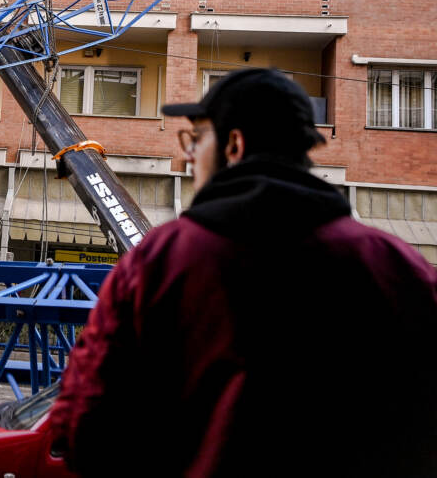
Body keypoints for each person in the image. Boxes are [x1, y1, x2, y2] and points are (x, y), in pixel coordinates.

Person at [49, 68, 437, 477]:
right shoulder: (395, 266)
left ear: (235, 145)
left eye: (197, 140)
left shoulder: (160, 262)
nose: (187, 156)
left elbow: (83, 426)